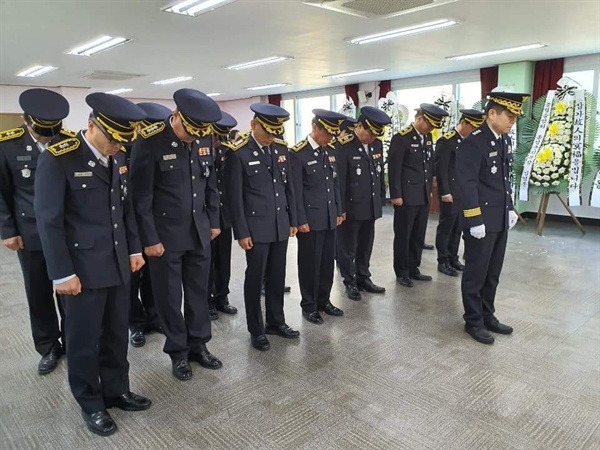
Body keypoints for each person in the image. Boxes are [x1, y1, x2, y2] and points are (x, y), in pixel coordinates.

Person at [34, 93, 151, 436]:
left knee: (116, 333)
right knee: (83, 340)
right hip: (81, 270)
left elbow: (125, 209)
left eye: (122, 140)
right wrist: (61, 272)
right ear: (91, 125)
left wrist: (133, 249)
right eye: (112, 138)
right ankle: (90, 402)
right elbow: (49, 219)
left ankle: (117, 390)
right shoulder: (59, 158)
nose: (117, 145)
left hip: (116, 264)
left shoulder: (119, 157)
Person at [130, 89, 223, 381]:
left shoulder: (203, 137)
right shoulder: (149, 141)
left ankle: (199, 346)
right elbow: (140, 197)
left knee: (198, 292)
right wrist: (149, 239)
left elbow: (211, 184)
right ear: (176, 117)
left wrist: (214, 220)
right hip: (165, 236)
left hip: (199, 231)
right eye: (188, 132)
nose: (191, 139)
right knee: (169, 298)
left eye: (197, 135)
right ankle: (178, 353)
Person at [0, 88, 70, 375]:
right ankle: (48, 346)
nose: (47, 137)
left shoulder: (67, 142)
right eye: (41, 131)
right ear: (24, 119)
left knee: (70, 290)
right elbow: (2, 192)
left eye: (52, 131)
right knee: (38, 292)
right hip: (29, 233)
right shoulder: (7, 144)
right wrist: (7, 230)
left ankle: (73, 338)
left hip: (66, 232)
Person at [225, 103, 299, 351]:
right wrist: (242, 232)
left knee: (277, 277)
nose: (271, 137)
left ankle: (276, 322)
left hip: (280, 225)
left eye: (275, 133)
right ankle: (256, 329)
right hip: (255, 230)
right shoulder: (238, 153)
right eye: (267, 132)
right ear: (254, 125)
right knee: (255, 280)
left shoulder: (280, 149)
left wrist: (292, 220)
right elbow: (234, 199)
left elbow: (288, 188)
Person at [455, 90, 527, 344]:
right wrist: (474, 219)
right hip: (480, 222)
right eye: (509, 116)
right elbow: (466, 185)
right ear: (492, 113)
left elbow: (503, 180)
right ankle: (473, 320)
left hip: (498, 219)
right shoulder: (473, 143)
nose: (512, 122)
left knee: (493, 272)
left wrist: (509, 208)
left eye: (515, 118)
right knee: (476, 272)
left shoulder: (503, 140)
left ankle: (488, 314)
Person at [290, 109, 346, 325]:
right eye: (328, 134)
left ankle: (324, 300)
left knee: (326, 263)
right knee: (310, 264)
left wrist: (339, 210)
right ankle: (309, 305)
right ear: (314, 128)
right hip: (310, 220)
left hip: (330, 216)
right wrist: (299, 220)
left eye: (333, 135)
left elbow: (334, 183)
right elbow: (295, 191)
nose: (331, 138)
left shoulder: (329, 151)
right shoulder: (298, 153)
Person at [388, 104, 448, 288]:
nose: (431, 129)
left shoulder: (428, 137)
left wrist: (431, 184)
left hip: (422, 194)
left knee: (418, 234)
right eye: (429, 124)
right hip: (406, 196)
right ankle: (402, 271)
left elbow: (428, 164)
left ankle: (414, 267)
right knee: (404, 235)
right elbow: (394, 168)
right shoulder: (401, 138)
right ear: (420, 118)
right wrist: (396, 194)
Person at [126, 102, 171, 347]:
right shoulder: (121, 148)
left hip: (155, 224)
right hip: (129, 226)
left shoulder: (159, 148)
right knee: (133, 278)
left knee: (155, 277)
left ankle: (155, 317)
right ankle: (135, 323)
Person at [335, 106, 391, 301]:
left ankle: (363, 277)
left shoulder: (376, 145)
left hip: (370, 205)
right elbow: (340, 181)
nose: (372, 138)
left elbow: (377, 175)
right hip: (351, 207)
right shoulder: (343, 146)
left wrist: (381, 199)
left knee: (366, 245)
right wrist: (340, 209)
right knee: (348, 247)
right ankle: (349, 281)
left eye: (376, 135)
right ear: (359, 126)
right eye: (370, 133)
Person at [434, 109, 485, 277]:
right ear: (464, 123)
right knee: (446, 228)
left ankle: (453, 257)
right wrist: (444, 192)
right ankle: (443, 260)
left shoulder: (470, 142)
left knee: (458, 228)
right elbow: (441, 170)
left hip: (463, 193)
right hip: (450, 193)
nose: (474, 131)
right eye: (472, 127)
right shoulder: (447, 141)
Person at [208, 110, 239, 320]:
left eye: (222, 137)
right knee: (207, 263)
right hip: (207, 217)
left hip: (224, 216)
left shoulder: (229, 152)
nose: (218, 141)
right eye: (216, 137)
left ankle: (222, 297)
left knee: (223, 261)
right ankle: (207, 302)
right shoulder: (199, 152)